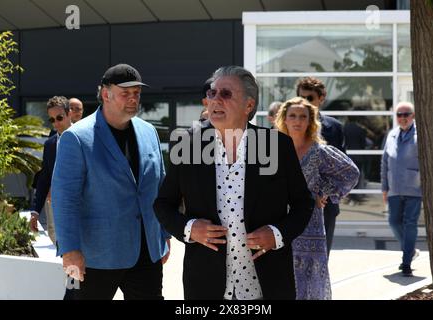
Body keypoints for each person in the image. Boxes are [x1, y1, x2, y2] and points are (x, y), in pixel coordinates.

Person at [154, 66, 314, 300]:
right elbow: (163, 204)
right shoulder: (187, 145)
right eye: (212, 93)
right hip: (205, 286)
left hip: (268, 284)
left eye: (226, 94)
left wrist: (278, 234)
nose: (215, 99)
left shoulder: (277, 146)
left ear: (249, 106)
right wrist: (189, 229)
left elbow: (303, 203)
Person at [52, 63, 170, 300]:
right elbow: (65, 198)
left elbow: (160, 186)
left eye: (136, 93)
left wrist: (163, 234)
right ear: (105, 94)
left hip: (146, 252)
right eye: (125, 93)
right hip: (96, 256)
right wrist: (70, 250)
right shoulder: (76, 138)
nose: (133, 98)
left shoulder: (149, 132)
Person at [275, 97, 359, 299]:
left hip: (310, 226)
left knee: (310, 280)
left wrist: (324, 192)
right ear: (284, 119)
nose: (297, 121)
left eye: (303, 116)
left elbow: (351, 173)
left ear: (310, 121)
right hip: (279, 222)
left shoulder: (319, 152)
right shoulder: (273, 150)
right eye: (292, 116)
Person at [296, 77, 345, 255]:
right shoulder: (290, 125)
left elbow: (340, 167)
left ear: (321, 98)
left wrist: (324, 192)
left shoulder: (334, 127)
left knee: (323, 255)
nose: (305, 102)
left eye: (310, 98)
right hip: (296, 202)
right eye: (301, 98)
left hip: (326, 203)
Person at [381, 102, 422, 277]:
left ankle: (406, 263)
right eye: (399, 114)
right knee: (393, 222)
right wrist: (384, 187)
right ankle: (410, 250)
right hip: (394, 189)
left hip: (414, 188)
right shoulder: (391, 135)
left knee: (410, 224)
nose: (403, 117)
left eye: (406, 114)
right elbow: (384, 162)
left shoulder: (420, 135)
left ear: (413, 116)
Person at [29, 96, 72, 243]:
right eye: (52, 120)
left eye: (59, 118)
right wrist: (35, 212)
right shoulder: (50, 144)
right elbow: (44, 178)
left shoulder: (86, 139)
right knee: (57, 242)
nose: (56, 123)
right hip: (56, 205)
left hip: (82, 207)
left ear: (69, 114)